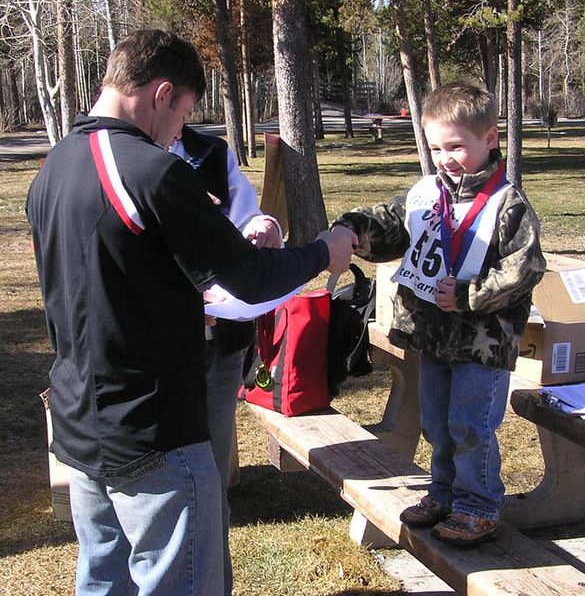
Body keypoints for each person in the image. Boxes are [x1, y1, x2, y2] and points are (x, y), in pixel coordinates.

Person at [26, 29, 356, 595]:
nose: (182, 130)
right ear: (160, 93)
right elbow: (251, 281)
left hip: (82, 422)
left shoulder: (54, 166)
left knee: (103, 580)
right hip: (153, 431)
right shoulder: (153, 171)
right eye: (183, 113)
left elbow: (112, 280)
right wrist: (325, 252)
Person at [334, 80, 545, 546]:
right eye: (436, 147)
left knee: (471, 425)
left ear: (490, 138)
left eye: (456, 146)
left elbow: (526, 268)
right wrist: (352, 227)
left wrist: (471, 295)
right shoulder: (428, 194)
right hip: (433, 337)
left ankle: (479, 504)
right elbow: (392, 228)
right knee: (436, 422)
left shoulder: (508, 206)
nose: (446, 157)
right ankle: (443, 492)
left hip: (482, 344)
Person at [170, 124, 283, 595]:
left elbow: (244, 222)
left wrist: (263, 227)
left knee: (208, 477)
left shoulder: (210, 153)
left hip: (217, 344)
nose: (184, 114)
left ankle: (214, 586)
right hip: (152, 348)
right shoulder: (119, 155)